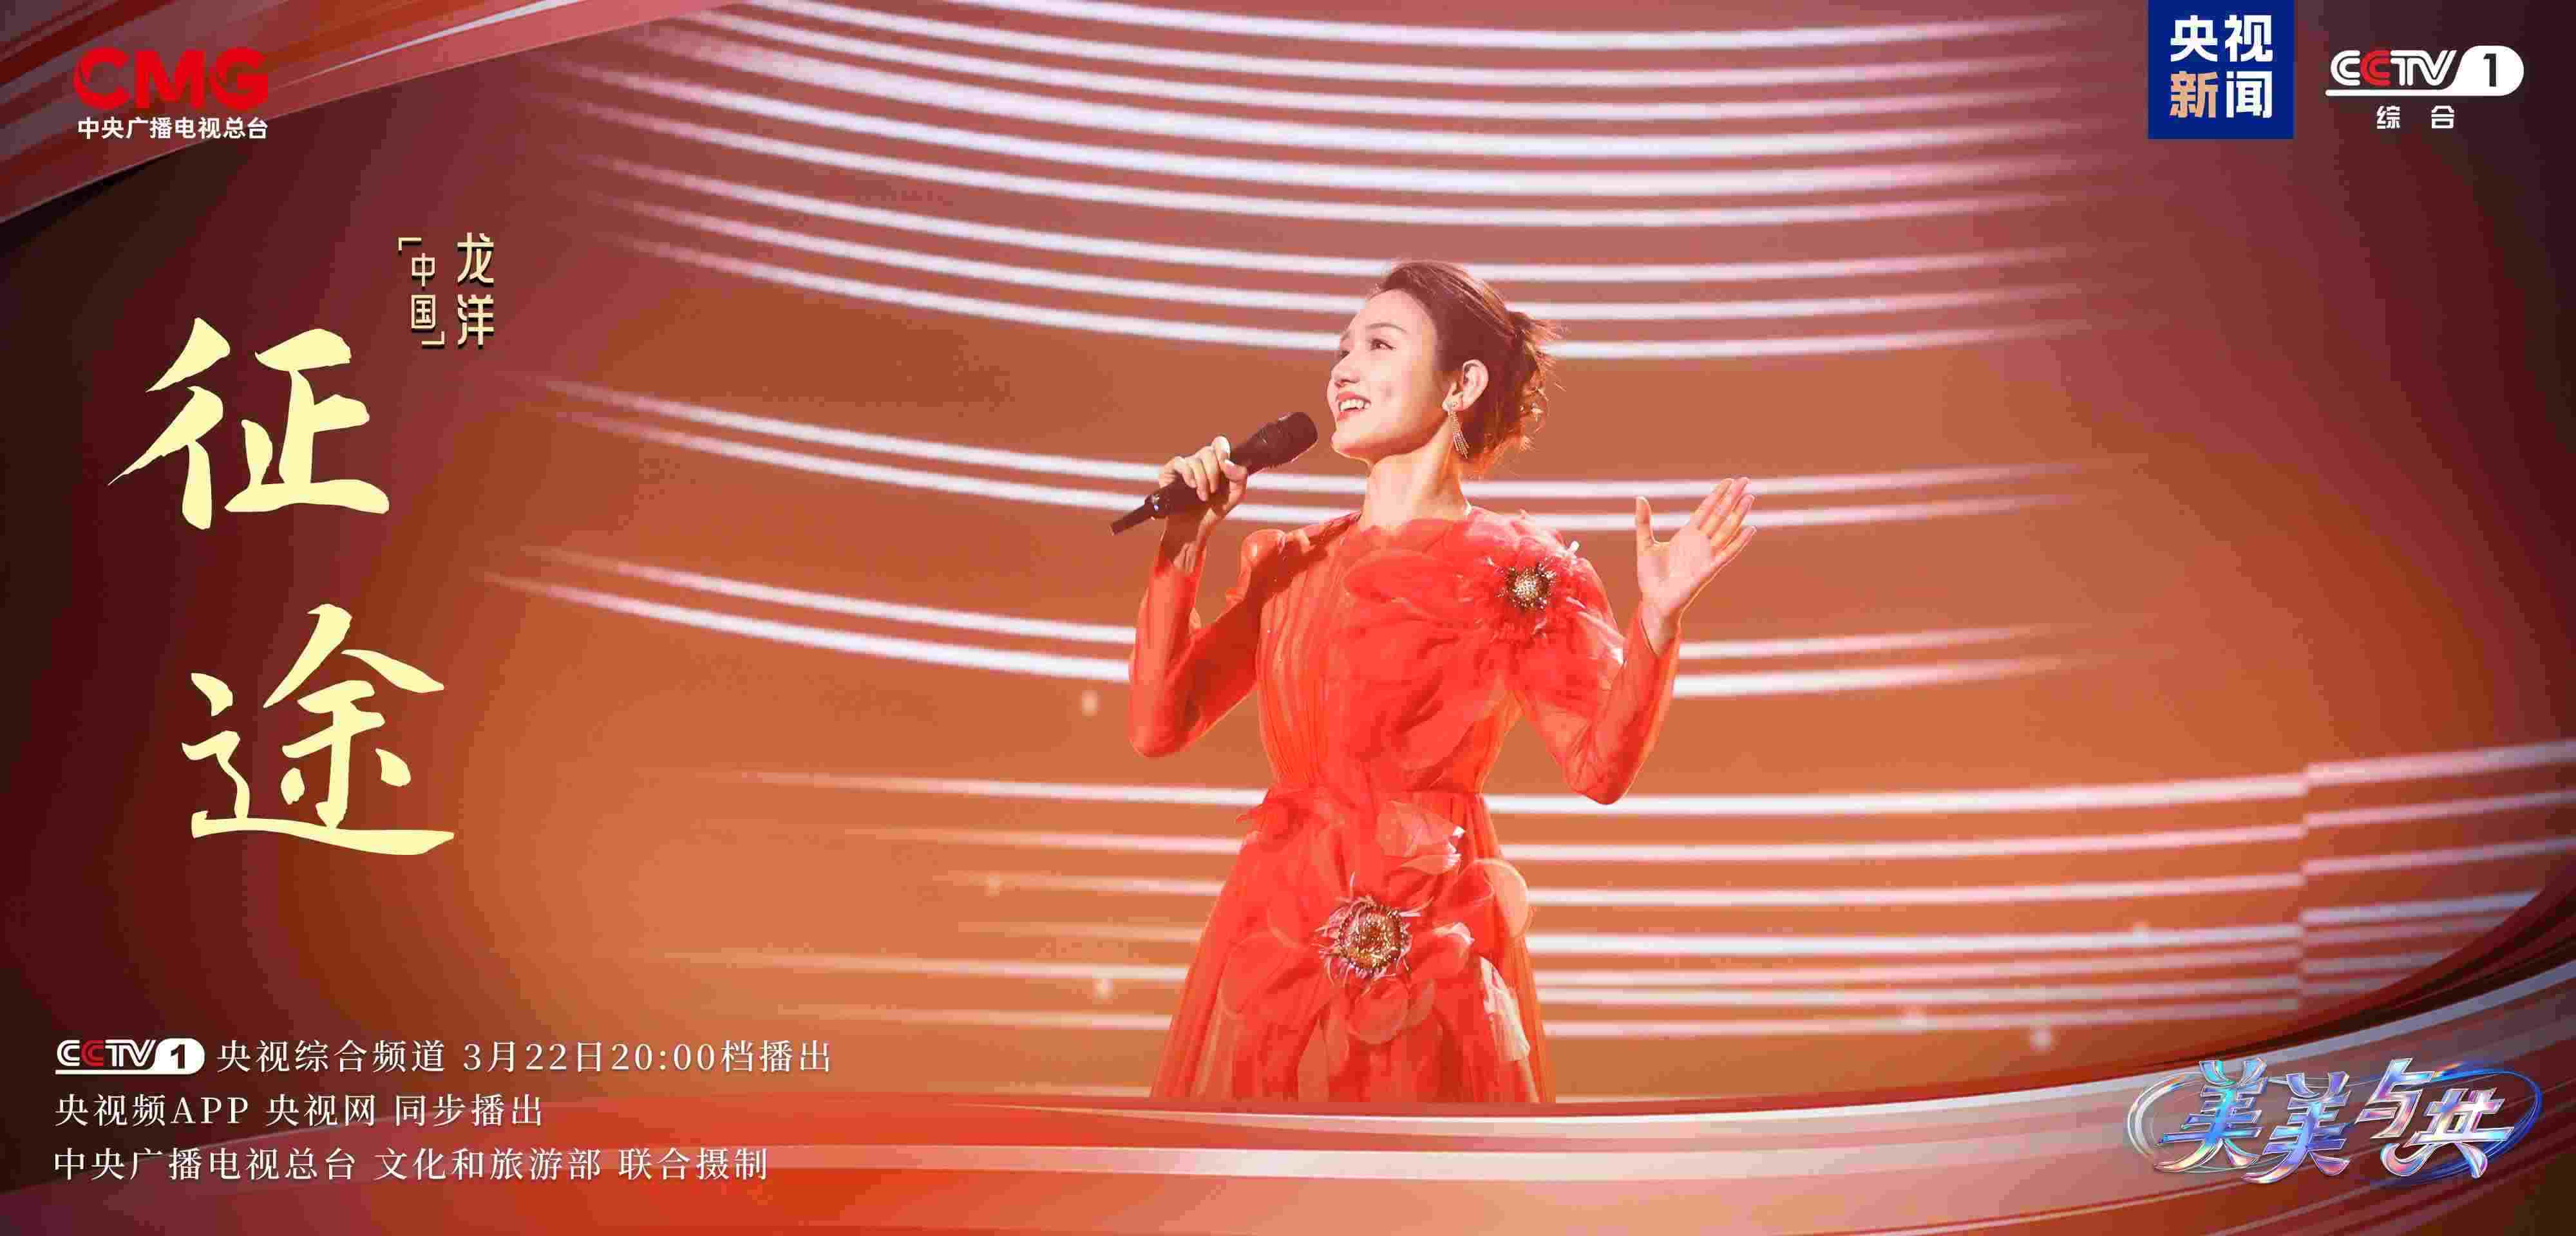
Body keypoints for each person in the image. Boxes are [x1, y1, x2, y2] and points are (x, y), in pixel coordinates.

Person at [1128, 260, 1756, 1102]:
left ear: (1462, 385)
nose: (1344, 370)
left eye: (1380, 346)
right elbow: (1158, 726)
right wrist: (1183, 548)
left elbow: (1599, 769)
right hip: (1276, 928)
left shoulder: (1519, 569)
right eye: (1342, 349)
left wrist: (1658, 621)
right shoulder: (1289, 563)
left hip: (1426, 943)